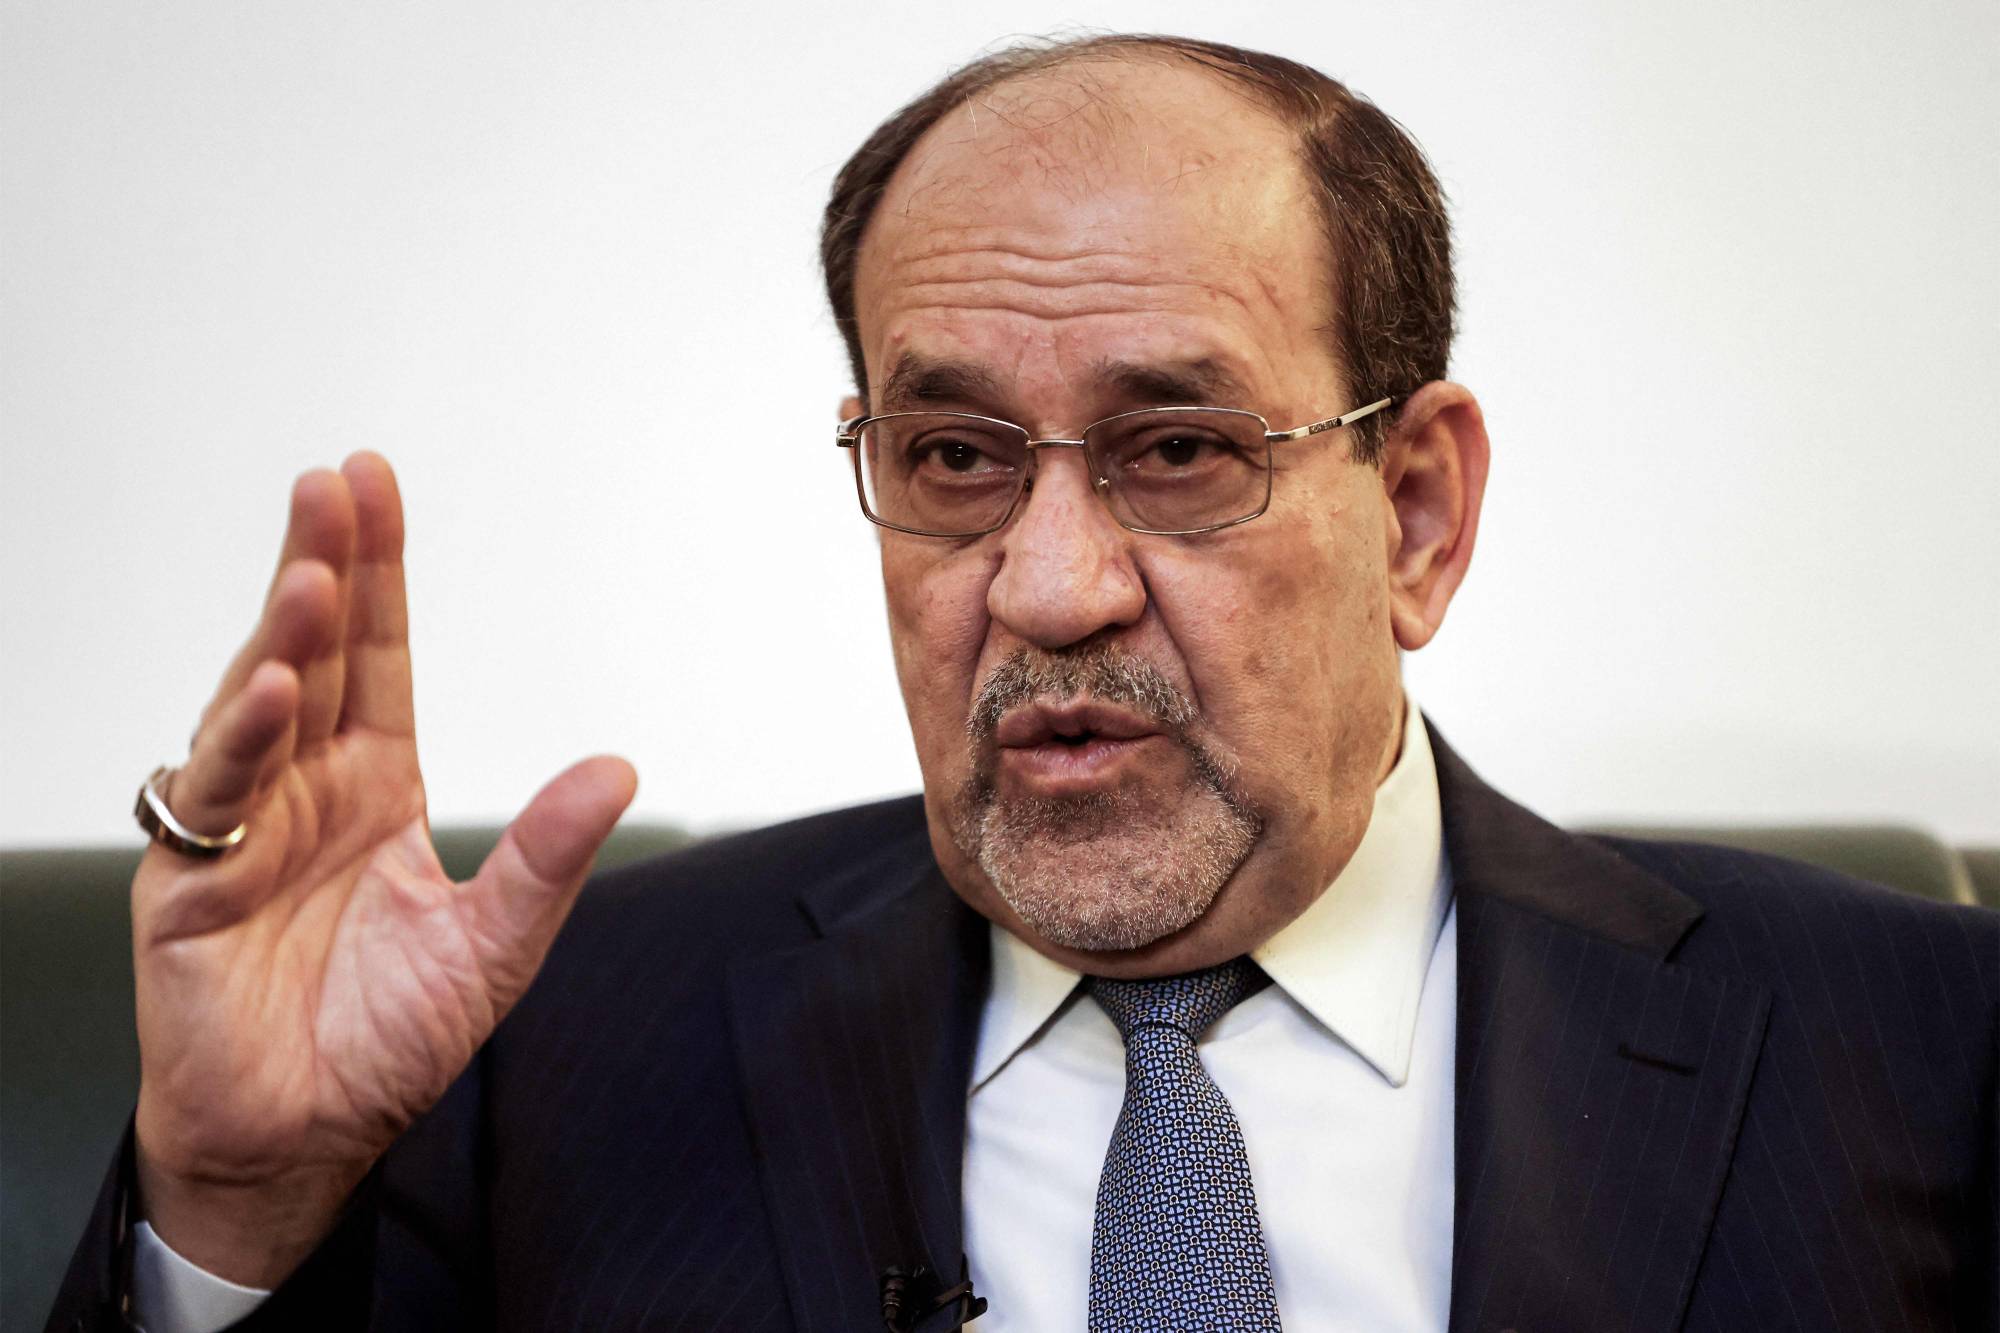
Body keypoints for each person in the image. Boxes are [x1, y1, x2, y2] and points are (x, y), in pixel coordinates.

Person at [49, 33, 1997, 1333]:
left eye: (1180, 449)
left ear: (1414, 511)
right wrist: (231, 1216)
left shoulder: (1919, 1043)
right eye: (957, 457)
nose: (1050, 588)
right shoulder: (547, 1052)